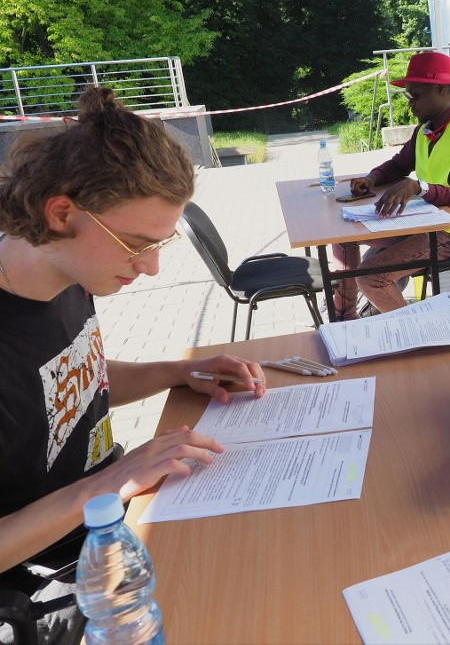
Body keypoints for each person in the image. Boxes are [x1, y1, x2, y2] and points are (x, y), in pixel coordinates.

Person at [0, 87, 266, 643]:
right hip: (43, 583)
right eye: (135, 244)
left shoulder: (69, 271)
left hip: (106, 527)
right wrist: (113, 482)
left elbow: (70, 382)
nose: (150, 268)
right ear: (62, 212)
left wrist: (176, 372)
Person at [333, 51, 450, 320]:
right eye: (408, 96)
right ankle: (346, 321)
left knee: (373, 279)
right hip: (424, 222)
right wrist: (371, 179)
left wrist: (420, 188)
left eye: (415, 95)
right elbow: (398, 165)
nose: (410, 104)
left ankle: (420, 333)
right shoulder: (424, 130)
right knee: (343, 238)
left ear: (442, 90)